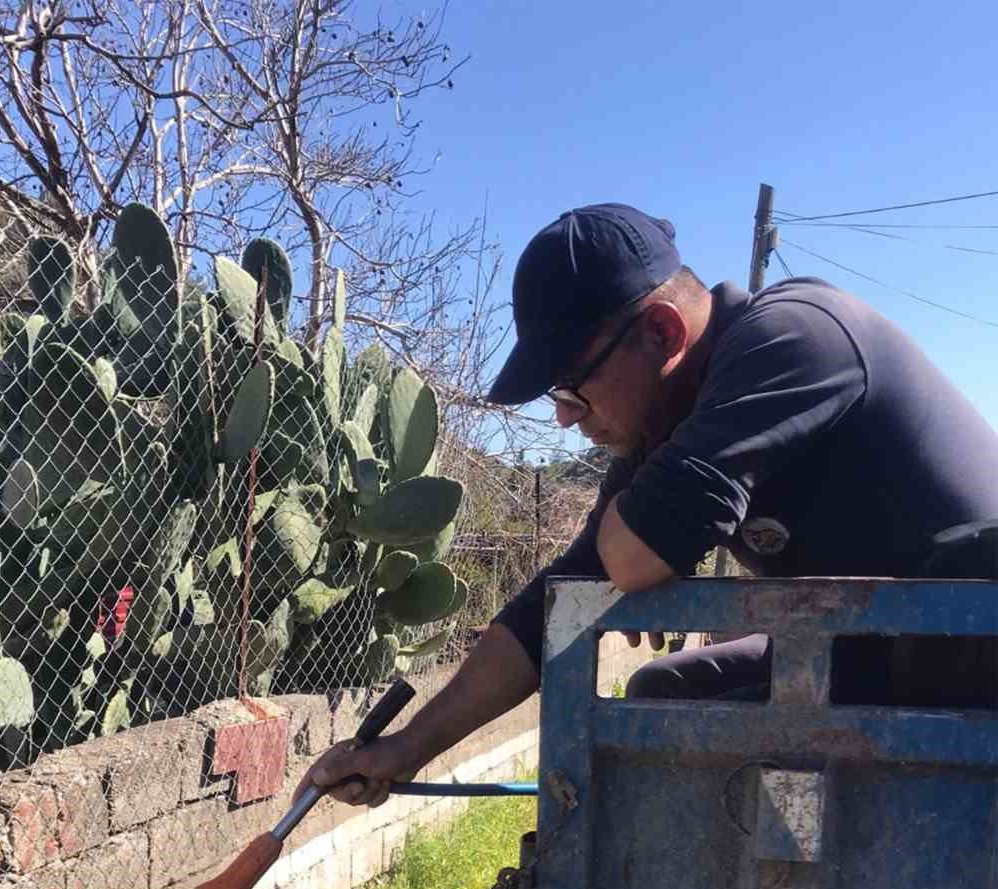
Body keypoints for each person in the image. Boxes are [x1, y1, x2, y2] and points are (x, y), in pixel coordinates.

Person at [298, 202, 998, 808]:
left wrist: (634, 552)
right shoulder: (671, 425)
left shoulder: (793, 338)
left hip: (968, 673)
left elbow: (632, 559)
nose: (566, 420)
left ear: (662, 332)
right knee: (670, 692)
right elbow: (561, 596)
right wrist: (406, 749)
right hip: (876, 661)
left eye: (573, 388)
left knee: (701, 739)